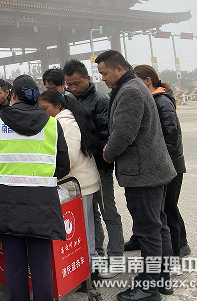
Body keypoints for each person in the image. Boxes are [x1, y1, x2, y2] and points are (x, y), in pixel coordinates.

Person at [96, 51, 176, 301]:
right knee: (158, 226)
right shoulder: (134, 87)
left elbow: (123, 134)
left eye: (104, 73)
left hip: (143, 173)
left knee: (148, 230)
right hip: (152, 169)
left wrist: (107, 153)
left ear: (118, 68)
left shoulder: (130, 90)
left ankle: (149, 287)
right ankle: (162, 279)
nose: (103, 79)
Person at [0, 76, 70, 301]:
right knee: (41, 264)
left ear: (12, 95)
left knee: (14, 265)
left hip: (7, 199)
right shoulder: (52, 124)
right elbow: (63, 165)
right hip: (43, 199)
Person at [63, 59, 124, 276]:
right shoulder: (68, 101)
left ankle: (116, 256)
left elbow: (106, 136)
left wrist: (103, 165)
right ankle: (96, 253)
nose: (73, 88)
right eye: (69, 85)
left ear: (88, 78)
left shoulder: (100, 101)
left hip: (100, 167)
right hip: (82, 170)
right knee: (91, 214)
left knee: (108, 211)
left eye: (77, 83)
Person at [38, 89, 101, 282]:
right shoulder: (62, 120)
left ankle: (90, 271)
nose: (43, 113)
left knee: (83, 229)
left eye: (45, 108)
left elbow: (69, 157)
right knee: (83, 227)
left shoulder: (66, 123)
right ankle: (88, 268)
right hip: (78, 182)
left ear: (58, 106)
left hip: (79, 183)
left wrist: (48, 170)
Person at [132, 65, 188, 259]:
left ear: (148, 80)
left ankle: (179, 247)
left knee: (168, 208)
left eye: (137, 80)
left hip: (170, 164)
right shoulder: (152, 99)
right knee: (161, 208)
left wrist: (162, 160)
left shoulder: (161, 101)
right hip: (164, 163)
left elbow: (171, 135)